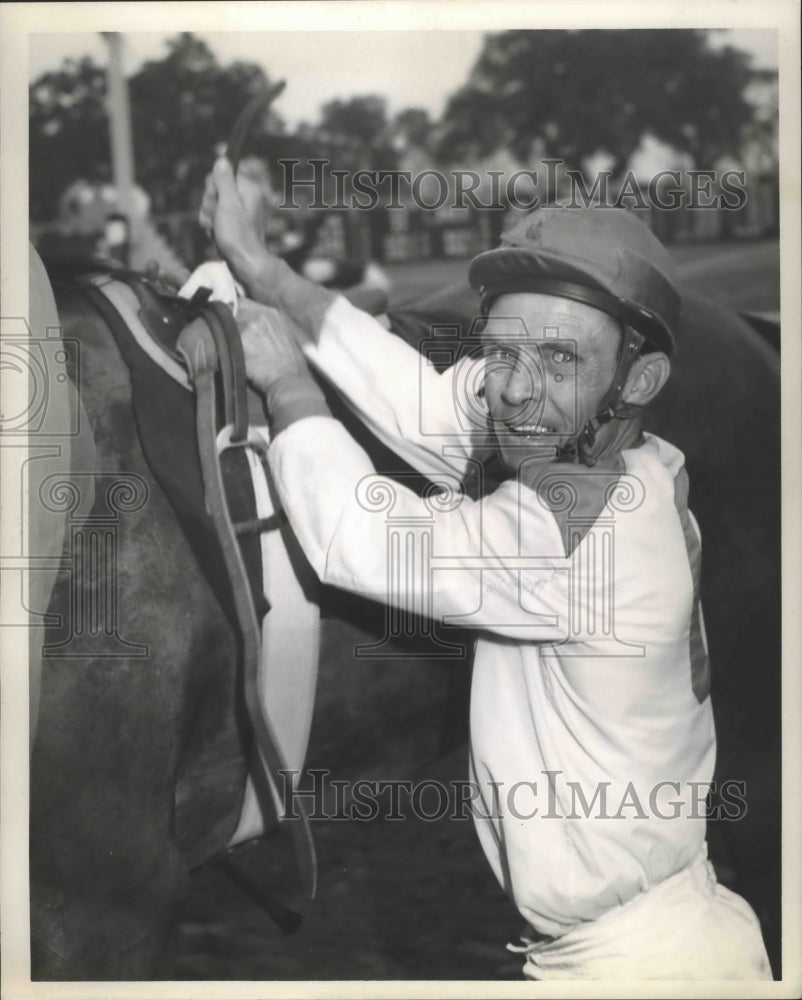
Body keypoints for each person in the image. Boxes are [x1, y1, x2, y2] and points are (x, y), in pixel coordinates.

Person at [198, 156, 772, 981]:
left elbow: (357, 536)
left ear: (639, 377)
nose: (513, 392)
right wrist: (265, 270)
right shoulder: (599, 445)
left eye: (559, 361)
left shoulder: (579, 537)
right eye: (500, 353)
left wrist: (289, 382)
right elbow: (427, 403)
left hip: (637, 970)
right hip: (644, 943)